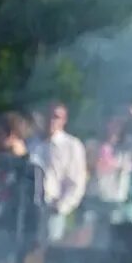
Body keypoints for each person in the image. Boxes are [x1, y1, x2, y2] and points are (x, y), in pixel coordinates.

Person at [0, 112, 44, 263]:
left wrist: (32, 239)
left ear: (12, 135)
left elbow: (36, 207)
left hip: (16, 235)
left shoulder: (31, 169)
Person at [29, 101, 87, 242]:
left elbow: (77, 182)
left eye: (56, 117)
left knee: (50, 254)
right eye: (48, 116)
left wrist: (61, 207)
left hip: (52, 209)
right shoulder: (31, 143)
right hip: (28, 209)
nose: (51, 120)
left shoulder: (72, 146)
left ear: (64, 120)